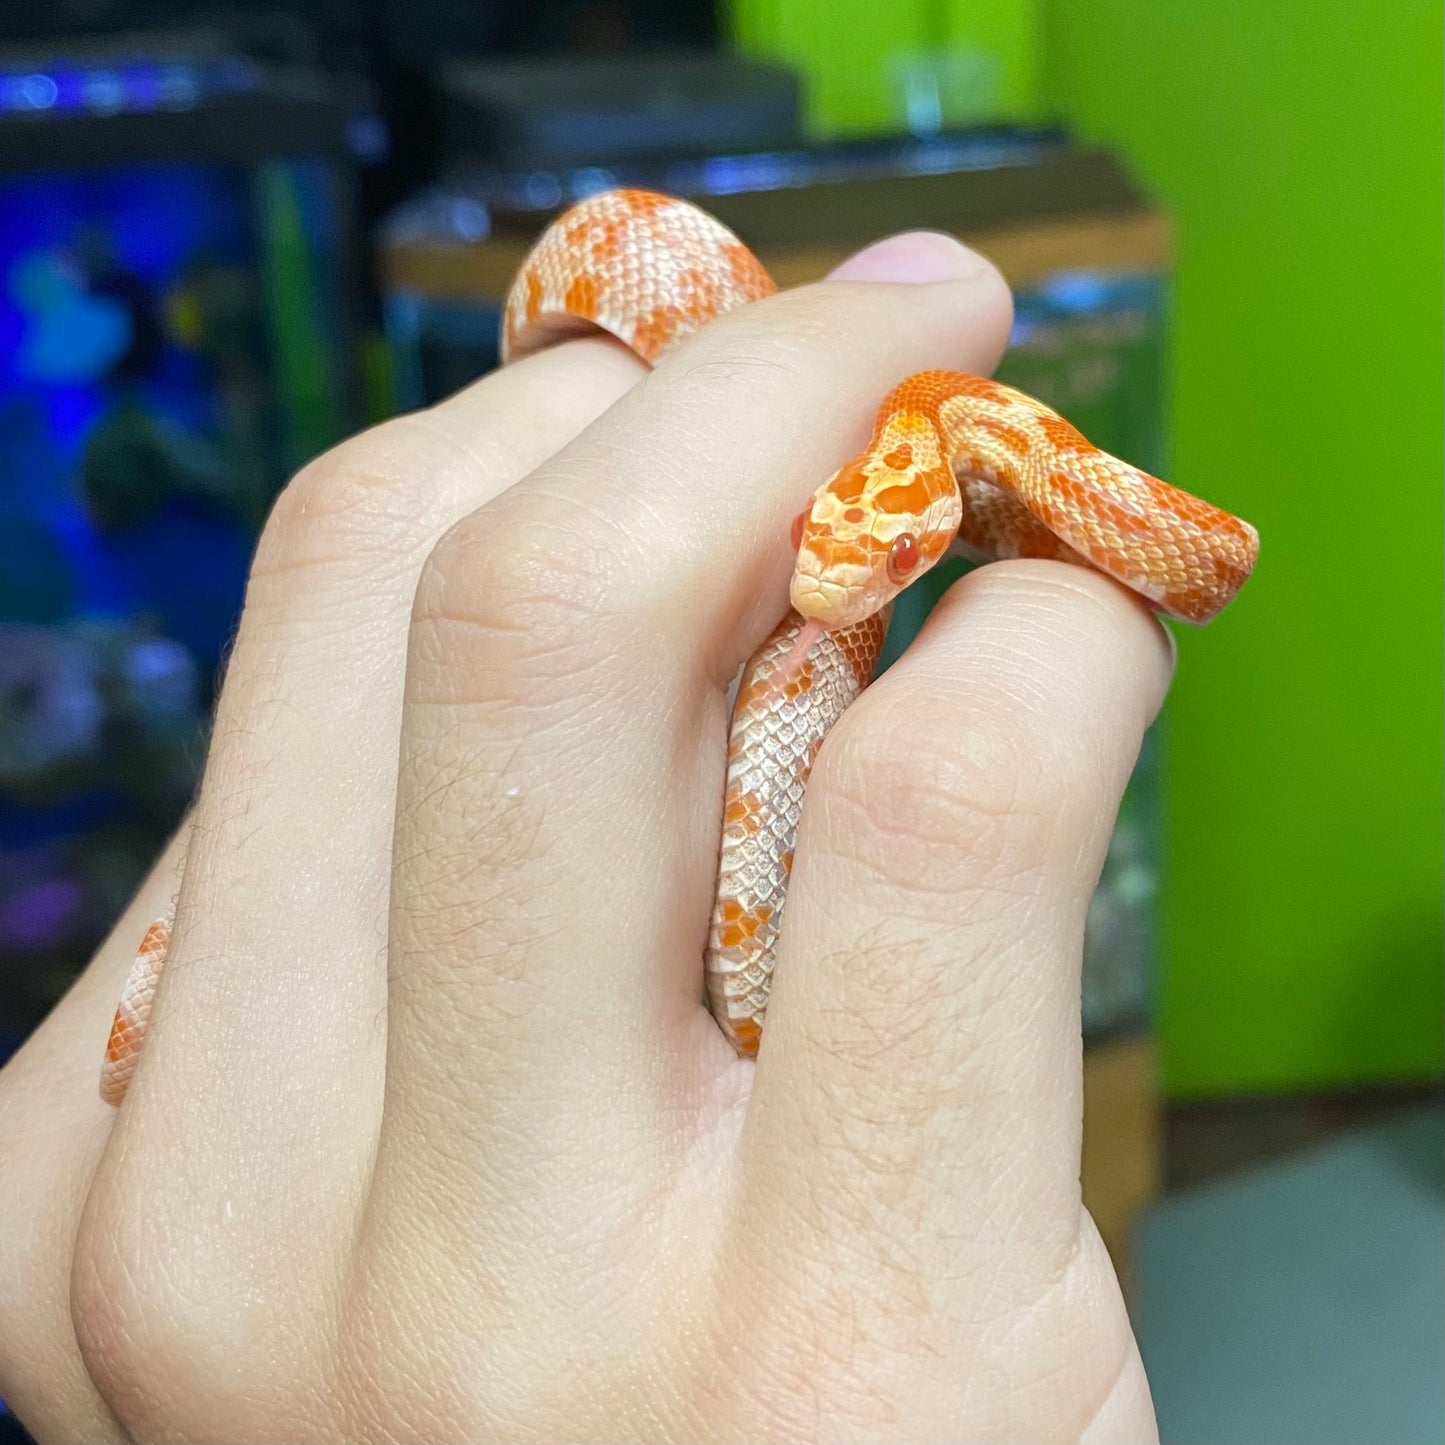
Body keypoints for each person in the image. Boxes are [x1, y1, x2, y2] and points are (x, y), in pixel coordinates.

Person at [0, 230, 1170, 1443]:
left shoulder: (987, 460)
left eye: (878, 560)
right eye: (832, 545)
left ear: (928, 515)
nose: (833, 587)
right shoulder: (879, 499)